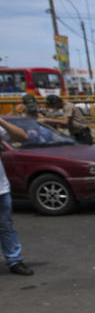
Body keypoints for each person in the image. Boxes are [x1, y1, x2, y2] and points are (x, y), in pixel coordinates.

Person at [0, 115, 34, 276]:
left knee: (6, 226)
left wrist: (1, 121)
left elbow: (22, 136)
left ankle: (14, 261)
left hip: (1, 188)